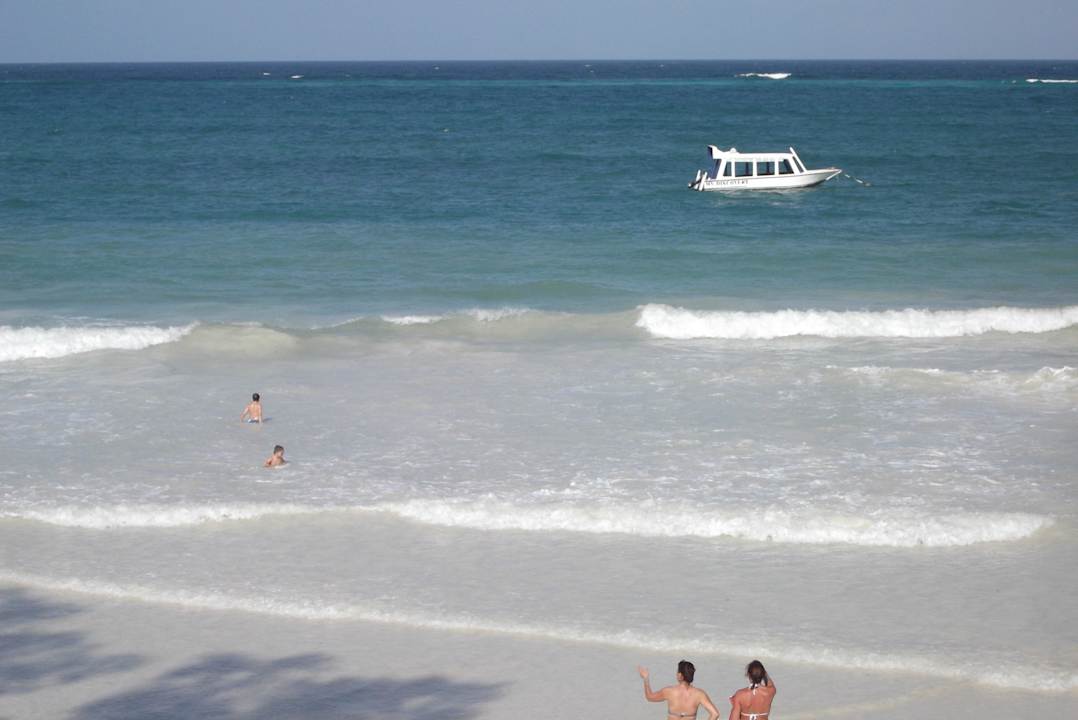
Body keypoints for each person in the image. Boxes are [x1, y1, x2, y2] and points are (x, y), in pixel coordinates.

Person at [638, 660, 720, 720]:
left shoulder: (669, 691)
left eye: (677, 672)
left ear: (680, 675)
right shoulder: (699, 694)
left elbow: (650, 697)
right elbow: (715, 714)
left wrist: (646, 678)